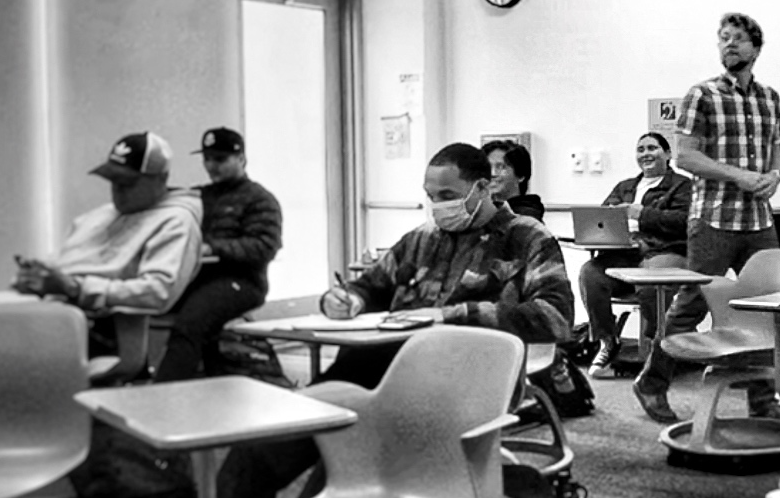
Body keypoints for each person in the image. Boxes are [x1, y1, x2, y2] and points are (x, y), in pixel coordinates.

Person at [217, 142, 574, 498]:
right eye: (431, 195)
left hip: (468, 376)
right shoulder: (421, 239)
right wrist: (346, 300)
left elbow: (555, 317)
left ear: (483, 188)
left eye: (448, 194)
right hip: (381, 366)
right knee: (263, 453)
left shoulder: (526, 236)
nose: (438, 205)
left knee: (348, 439)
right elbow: (370, 285)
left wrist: (449, 316)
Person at [632, 12, 780, 424]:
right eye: (722, 39)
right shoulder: (701, 95)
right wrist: (740, 175)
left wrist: (773, 177)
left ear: (756, 48)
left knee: (765, 308)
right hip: (713, 219)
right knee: (691, 305)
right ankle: (652, 382)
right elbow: (684, 156)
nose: (728, 45)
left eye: (737, 39)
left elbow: (777, 155)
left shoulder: (770, 98)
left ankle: (763, 398)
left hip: (758, 220)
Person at [11, 132, 202, 357]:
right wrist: (38, 273)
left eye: (128, 182)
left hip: (97, 328)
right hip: (51, 315)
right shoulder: (97, 216)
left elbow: (158, 292)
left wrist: (76, 288)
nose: (117, 190)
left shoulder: (175, 221)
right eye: (113, 180)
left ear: (161, 179)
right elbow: (66, 261)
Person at [152, 127, 282, 382]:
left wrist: (214, 248)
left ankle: (163, 395)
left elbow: (264, 247)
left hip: (241, 282)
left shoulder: (260, 199)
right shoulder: (198, 196)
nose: (211, 166)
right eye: (207, 159)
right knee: (135, 303)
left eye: (220, 159)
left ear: (241, 159)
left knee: (191, 323)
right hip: (197, 279)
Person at [578, 132, 693, 378]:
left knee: (650, 283)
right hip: (625, 252)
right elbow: (603, 218)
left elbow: (684, 222)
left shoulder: (682, 185)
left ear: (668, 154)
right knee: (591, 273)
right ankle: (607, 342)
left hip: (666, 250)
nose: (646, 154)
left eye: (653, 148)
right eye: (640, 150)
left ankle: (657, 348)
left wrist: (641, 214)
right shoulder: (624, 187)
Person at [483, 139, 544, 220]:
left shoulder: (526, 218)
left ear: (521, 175)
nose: (492, 173)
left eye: (501, 167)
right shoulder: (483, 212)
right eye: (487, 167)